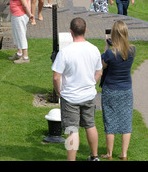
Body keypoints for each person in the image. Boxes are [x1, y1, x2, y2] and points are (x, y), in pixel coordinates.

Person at [52, 17, 102, 161]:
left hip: (70, 96)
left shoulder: (65, 52)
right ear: (85, 30)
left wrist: (59, 92)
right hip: (88, 95)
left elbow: (56, 77)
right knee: (90, 125)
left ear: (71, 32)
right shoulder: (94, 49)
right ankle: (94, 156)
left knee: (71, 129)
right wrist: (91, 83)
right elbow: (99, 72)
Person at [100, 21, 135, 161]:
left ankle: (109, 154)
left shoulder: (110, 53)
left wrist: (106, 46)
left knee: (110, 121)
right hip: (126, 90)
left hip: (111, 90)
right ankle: (124, 154)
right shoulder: (132, 50)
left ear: (114, 34)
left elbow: (102, 65)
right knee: (126, 122)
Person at [8, 0, 34, 64]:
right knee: (17, 34)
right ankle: (19, 53)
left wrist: (30, 14)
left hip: (19, 15)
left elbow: (24, 3)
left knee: (21, 34)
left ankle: (25, 57)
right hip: (18, 14)